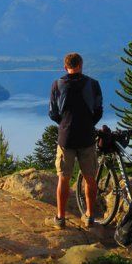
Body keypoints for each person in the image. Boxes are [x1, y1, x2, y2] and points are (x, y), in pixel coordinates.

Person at [46, 53, 103, 229]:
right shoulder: (93, 84)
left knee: (63, 178)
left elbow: (52, 112)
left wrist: (64, 124)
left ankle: (60, 218)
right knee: (90, 178)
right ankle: (89, 216)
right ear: (81, 65)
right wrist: (87, 124)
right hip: (87, 137)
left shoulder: (57, 85)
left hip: (66, 138)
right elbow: (98, 110)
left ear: (65, 67)